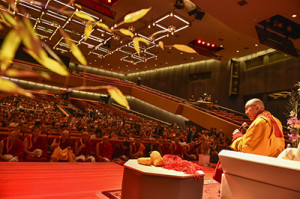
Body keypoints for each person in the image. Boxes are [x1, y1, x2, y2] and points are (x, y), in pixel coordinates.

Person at [213, 98, 285, 183]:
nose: (246, 112)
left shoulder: (259, 122)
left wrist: (237, 136)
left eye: (247, 108)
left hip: (258, 163)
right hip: (273, 162)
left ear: (257, 108)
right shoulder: (277, 120)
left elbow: (247, 148)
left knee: (224, 159)